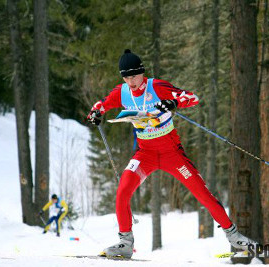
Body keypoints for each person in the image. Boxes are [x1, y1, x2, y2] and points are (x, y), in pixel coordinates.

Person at [86, 49, 257, 258]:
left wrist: (173, 103)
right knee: (123, 191)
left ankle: (234, 236)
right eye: (126, 77)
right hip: (145, 155)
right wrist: (95, 114)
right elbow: (100, 105)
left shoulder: (156, 87)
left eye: (134, 76)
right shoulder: (121, 92)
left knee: (203, 194)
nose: (131, 81)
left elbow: (192, 97)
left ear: (142, 72)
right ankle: (125, 242)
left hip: (171, 154)